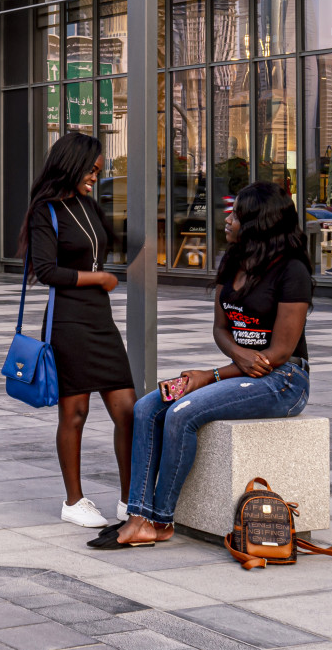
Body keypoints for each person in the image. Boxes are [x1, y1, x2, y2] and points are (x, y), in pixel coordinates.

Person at [94, 180, 311, 549]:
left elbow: (277, 353)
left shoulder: (291, 272)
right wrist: (235, 356)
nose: (227, 219)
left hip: (284, 380)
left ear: (259, 222)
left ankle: (159, 522)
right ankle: (137, 515)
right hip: (244, 371)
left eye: (237, 214)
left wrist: (209, 376)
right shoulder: (234, 261)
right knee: (147, 407)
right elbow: (220, 327)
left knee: (183, 412)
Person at [23, 131, 142, 530]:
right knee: (75, 413)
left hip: (100, 321)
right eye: (91, 169)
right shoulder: (46, 210)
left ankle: (130, 499)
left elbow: (109, 245)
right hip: (68, 320)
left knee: (128, 411)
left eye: (99, 170)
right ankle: (74, 501)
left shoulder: (90, 206)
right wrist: (99, 279)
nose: (96, 176)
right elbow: (46, 271)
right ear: (71, 165)